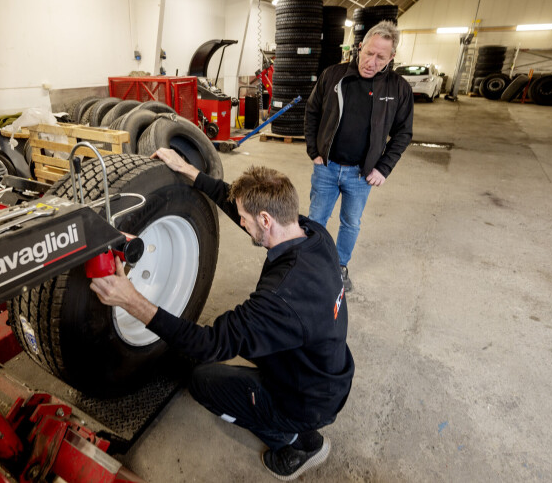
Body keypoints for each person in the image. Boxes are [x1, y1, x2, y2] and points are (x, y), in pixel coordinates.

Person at [90, 147, 354, 481]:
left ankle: (298, 442)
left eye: (245, 217)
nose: (239, 221)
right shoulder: (313, 234)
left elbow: (207, 343)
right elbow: (240, 209)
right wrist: (189, 171)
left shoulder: (279, 299)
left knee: (202, 381)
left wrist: (131, 300)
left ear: (266, 220)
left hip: (304, 399)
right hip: (323, 369)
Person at [304, 20, 414, 292]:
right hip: (327, 168)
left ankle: (339, 266)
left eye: (381, 57)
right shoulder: (333, 75)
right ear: (360, 47)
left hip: (361, 174)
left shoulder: (398, 89)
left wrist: (383, 168)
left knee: (350, 223)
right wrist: (314, 151)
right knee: (316, 220)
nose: (371, 62)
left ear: (391, 58)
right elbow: (312, 111)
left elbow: (403, 133)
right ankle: (309, 266)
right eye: (368, 53)